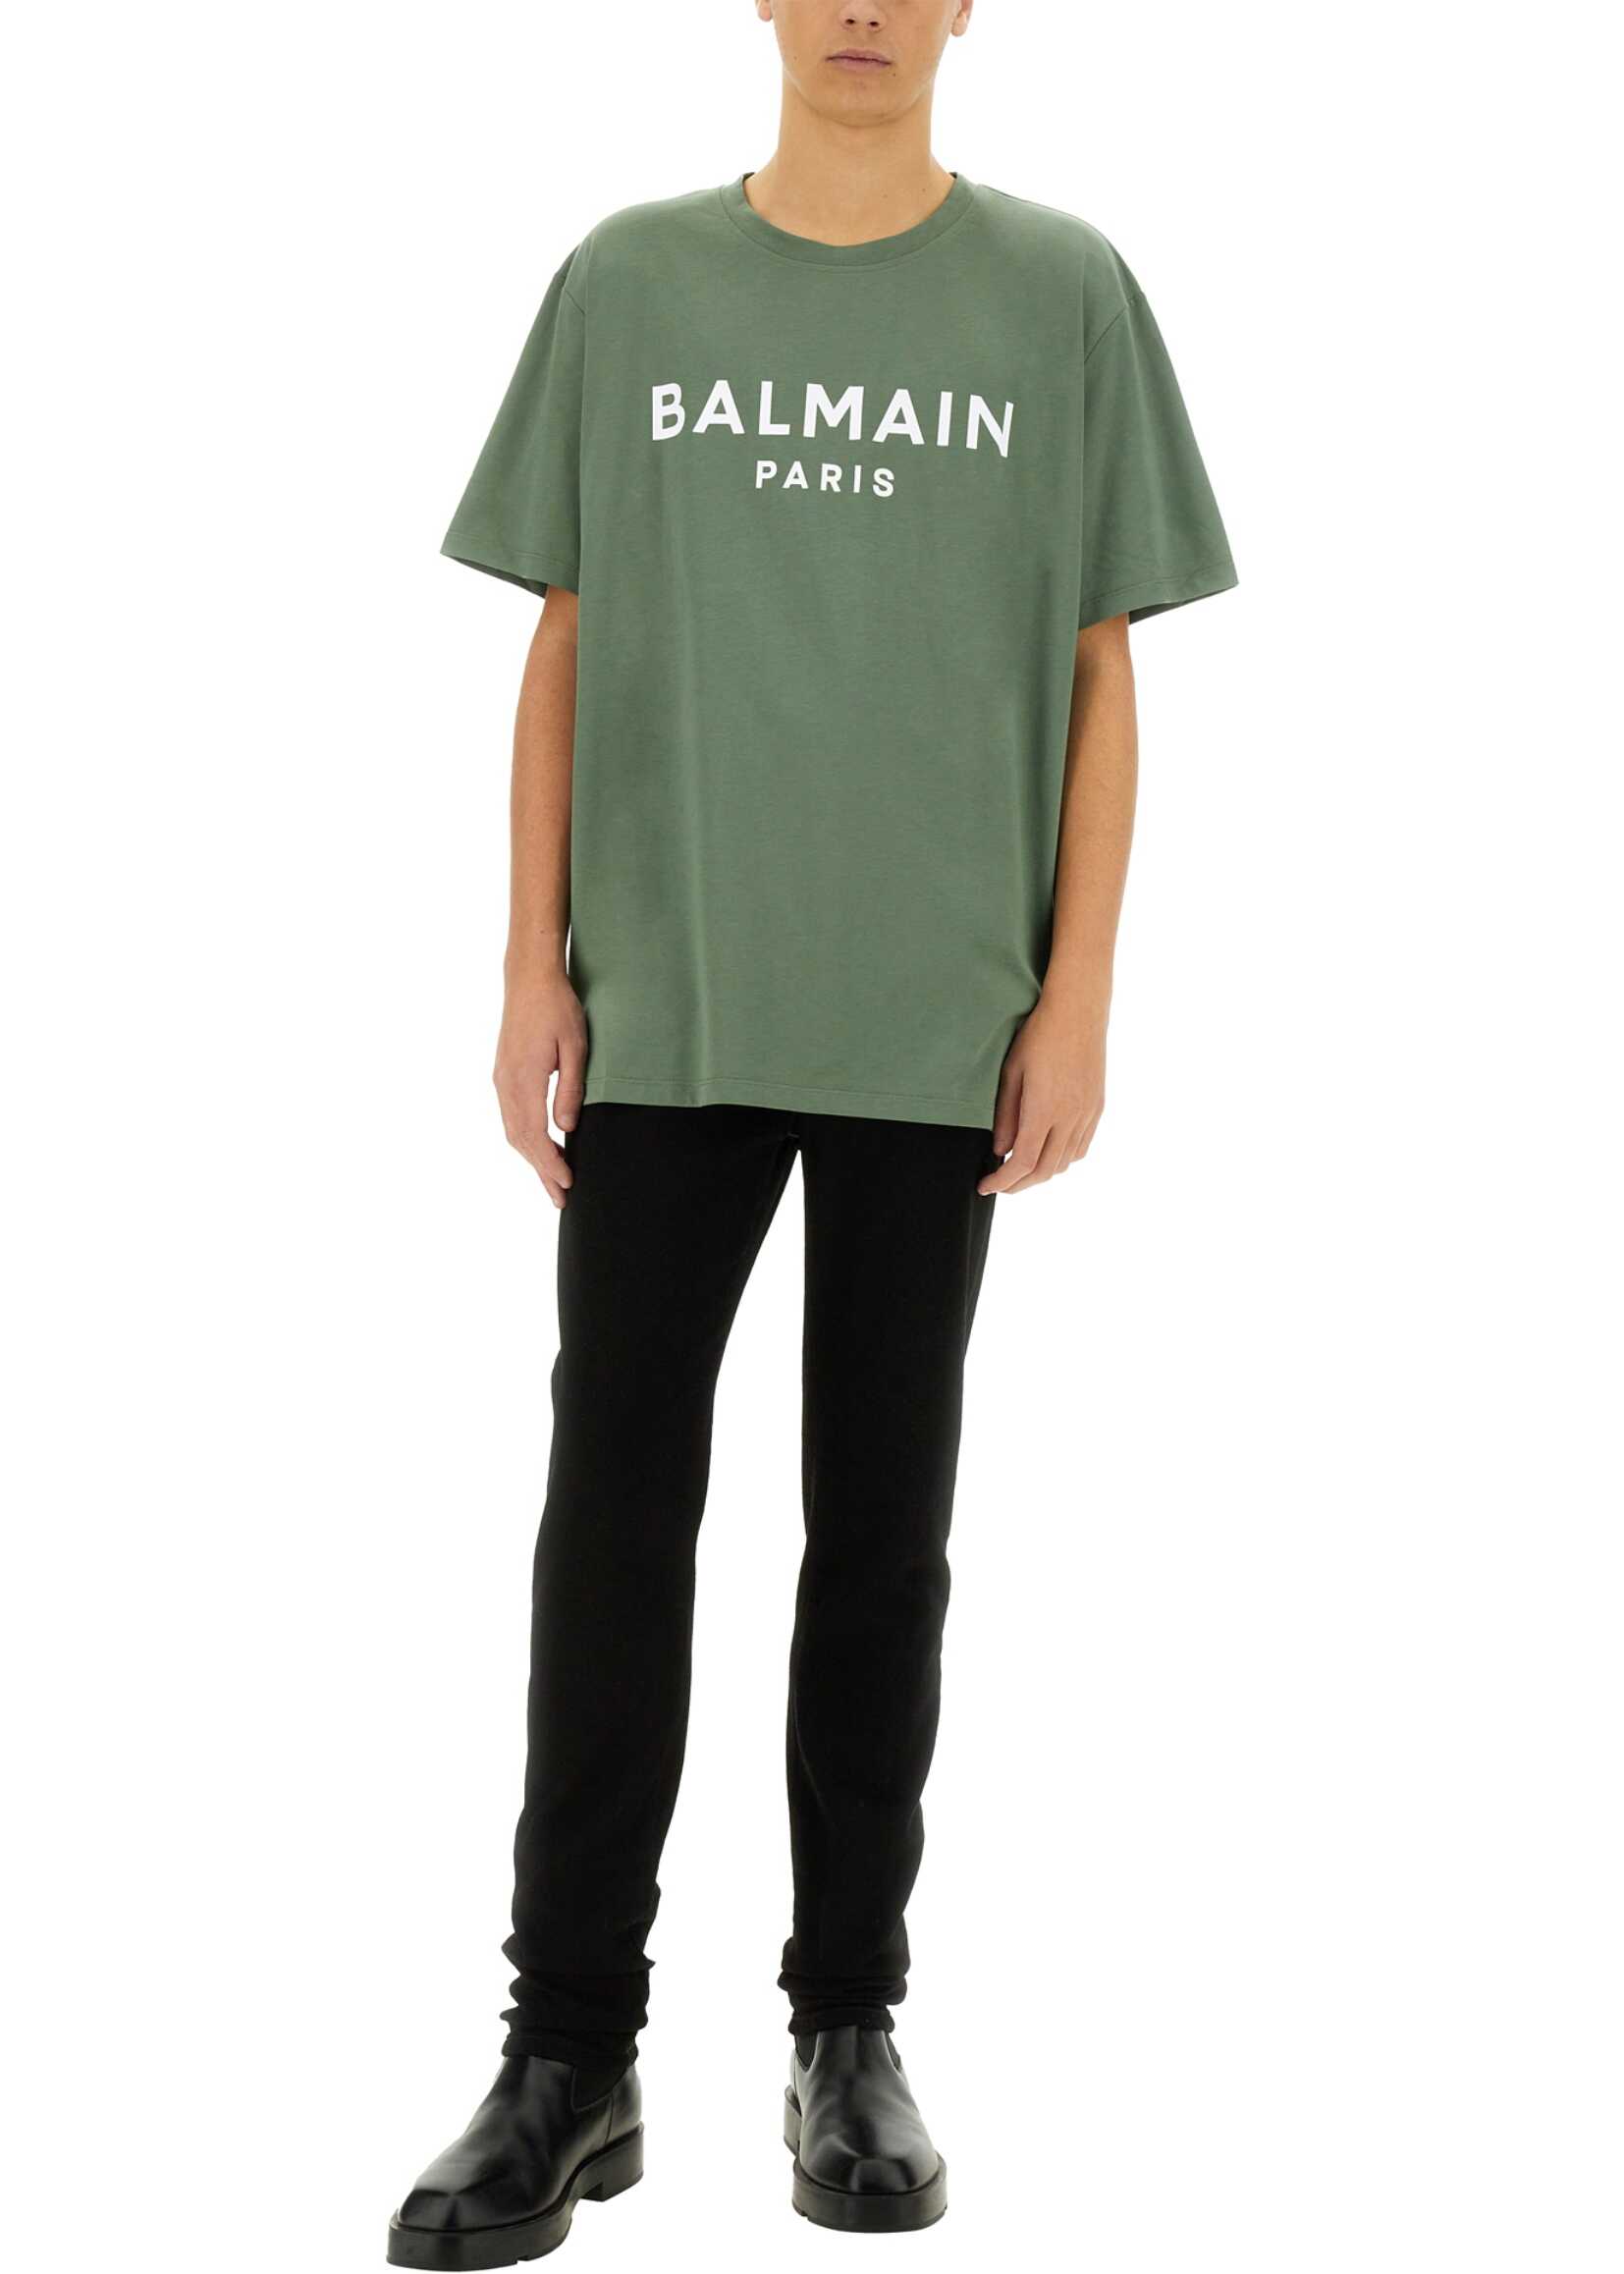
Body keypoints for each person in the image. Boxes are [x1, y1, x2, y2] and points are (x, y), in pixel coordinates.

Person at [388, 1, 1234, 2260]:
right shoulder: (631, 279)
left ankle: (845, 2032)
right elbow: (566, 633)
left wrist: (1075, 990)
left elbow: (1099, 664)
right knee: (612, 1521)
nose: (861, 6)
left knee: (881, 1529)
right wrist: (530, 962)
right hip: (672, 993)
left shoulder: (1059, 291)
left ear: (966, 7)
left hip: (932, 1012)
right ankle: (565, 2055)